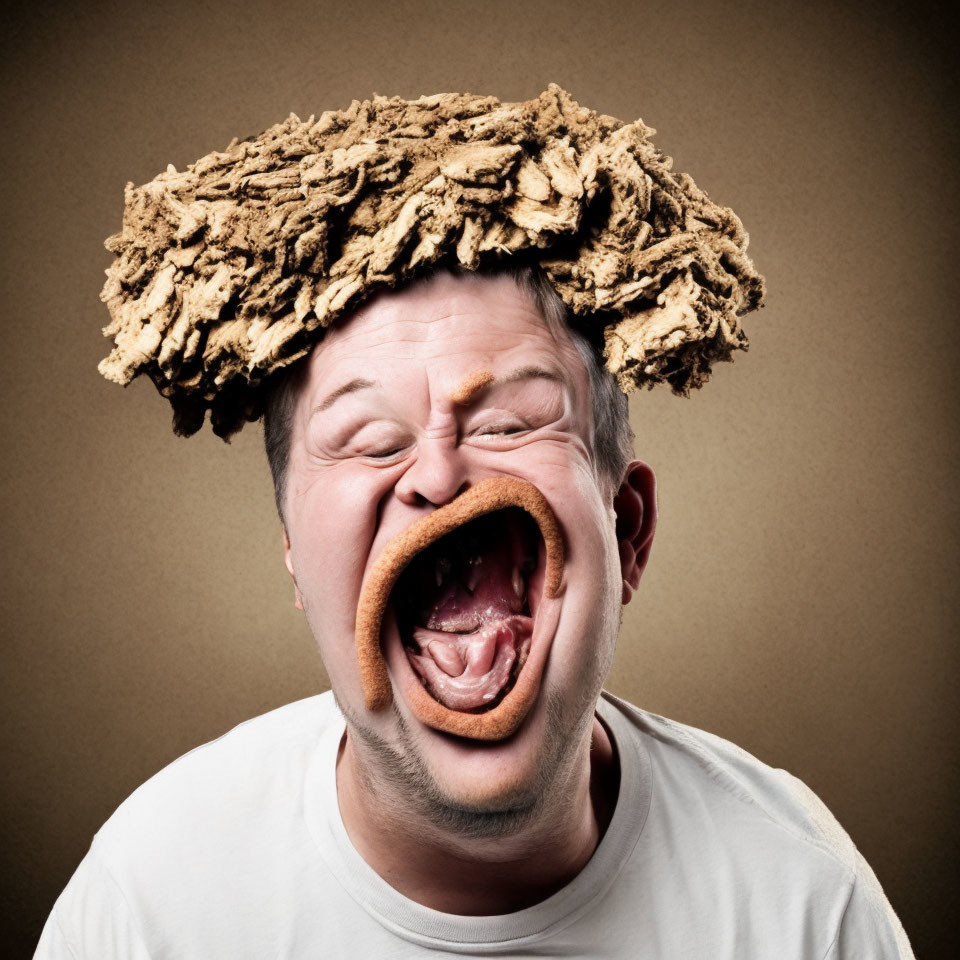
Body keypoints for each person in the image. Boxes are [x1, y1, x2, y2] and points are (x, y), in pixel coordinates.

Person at [36, 87, 913, 958]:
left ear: (628, 530)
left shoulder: (803, 906)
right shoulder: (148, 907)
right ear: (300, 560)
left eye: (511, 424)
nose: (439, 471)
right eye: (371, 439)